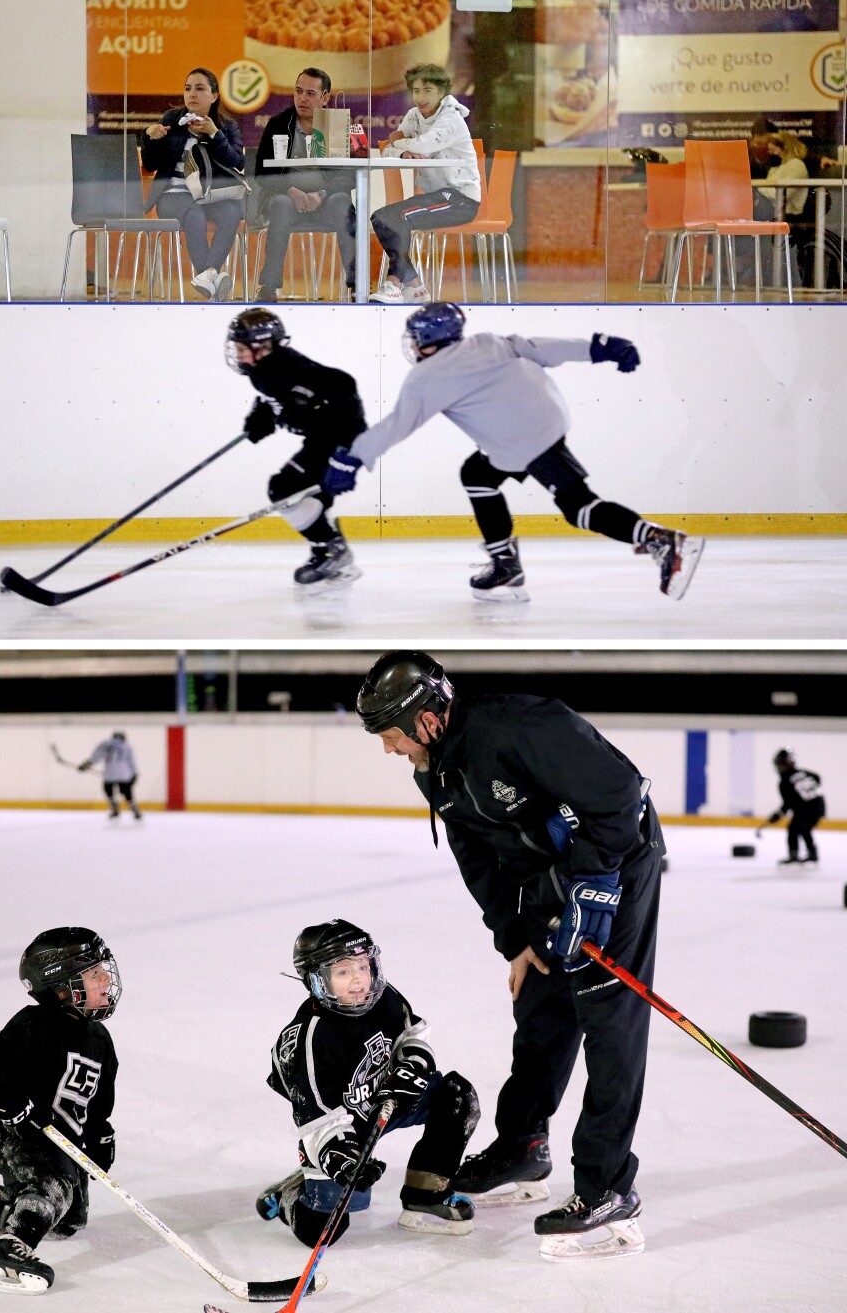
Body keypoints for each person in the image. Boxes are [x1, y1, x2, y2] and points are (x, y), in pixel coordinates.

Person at [355, 650, 664, 1261]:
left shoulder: (520, 727)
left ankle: (608, 1187)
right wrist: (516, 938)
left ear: (426, 717)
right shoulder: (434, 768)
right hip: (551, 881)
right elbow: (476, 858)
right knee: (543, 1009)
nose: (389, 749)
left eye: (391, 734)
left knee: (608, 1020)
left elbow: (621, 793)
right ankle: (524, 1146)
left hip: (619, 864)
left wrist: (595, 885)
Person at [323, 302, 702, 602]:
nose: (414, 347)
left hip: (526, 442)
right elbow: (543, 349)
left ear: (429, 341)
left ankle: (661, 541)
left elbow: (395, 426)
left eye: (416, 340)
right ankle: (505, 563)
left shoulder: (427, 376)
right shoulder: (486, 342)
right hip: (545, 422)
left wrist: (350, 457)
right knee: (477, 475)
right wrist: (601, 347)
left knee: (579, 507)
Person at [255, 920, 479, 1246]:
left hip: (386, 1099)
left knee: (456, 1095)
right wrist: (340, 1156)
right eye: (344, 972)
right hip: (340, 1127)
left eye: (363, 966)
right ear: (317, 981)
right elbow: (316, 1115)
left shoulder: (383, 997)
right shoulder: (310, 1038)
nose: (359, 979)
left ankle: (426, 1191)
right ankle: (291, 1195)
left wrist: (411, 1068)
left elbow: (411, 1032)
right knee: (323, 1231)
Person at [0, 927, 120, 1294]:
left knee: (67, 1222)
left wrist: (99, 1134)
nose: (106, 978)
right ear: (63, 985)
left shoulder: (100, 1039)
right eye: (94, 974)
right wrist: (17, 1109)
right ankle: (9, 1248)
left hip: (63, 1142)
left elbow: (97, 1101)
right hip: (21, 1137)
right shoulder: (32, 1026)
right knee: (52, 1189)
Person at [227, 308, 366, 585]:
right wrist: (264, 414)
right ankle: (329, 553)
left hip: (343, 440)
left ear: (263, 347)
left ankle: (331, 551)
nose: (238, 355)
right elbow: (274, 397)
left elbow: (343, 385)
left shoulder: (290, 366)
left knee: (284, 488)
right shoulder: (259, 372)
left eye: (242, 348)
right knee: (302, 493)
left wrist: (309, 404)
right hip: (320, 440)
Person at [369, 64, 481, 304]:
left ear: (442, 92)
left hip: (460, 200)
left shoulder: (451, 119)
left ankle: (394, 283)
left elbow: (420, 146)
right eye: (416, 90)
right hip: (436, 197)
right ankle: (415, 286)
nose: (420, 97)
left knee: (397, 217)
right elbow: (389, 146)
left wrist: (403, 145)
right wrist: (402, 152)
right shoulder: (413, 116)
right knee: (380, 217)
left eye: (427, 90)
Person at [141, 68, 248, 301]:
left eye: (200, 89)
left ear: (214, 96)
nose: (192, 94)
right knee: (195, 214)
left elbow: (238, 163)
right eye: (188, 88)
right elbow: (150, 164)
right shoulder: (172, 119)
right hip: (173, 194)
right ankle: (209, 276)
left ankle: (206, 278)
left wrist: (214, 134)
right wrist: (151, 137)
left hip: (209, 195)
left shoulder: (227, 126)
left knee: (232, 210)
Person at [249, 68, 356, 302]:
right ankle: (268, 286)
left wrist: (322, 193)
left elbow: (349, 176)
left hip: (326, 201)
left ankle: (356, 283)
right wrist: (291, 190)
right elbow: (261, 172)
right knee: (280, 203)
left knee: (343, 202)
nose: (302, 99)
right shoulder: (279, 123)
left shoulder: (336, 126)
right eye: (298, 91)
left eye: (310, 93)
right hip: (287, 200)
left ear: (325, 97)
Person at [765, 748, 825, 865]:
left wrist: (777, 815)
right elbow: (817, 777)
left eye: (781, 764)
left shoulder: (784, 781)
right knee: (802, 828)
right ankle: (812, 853)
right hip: (819, 806)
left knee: (795, 828)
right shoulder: (806, 773)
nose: (779, 767)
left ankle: (796, 855)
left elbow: (788, 804)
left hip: (806, 809)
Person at [79, 731, 142, 819]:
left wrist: (86, 765)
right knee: (127, 792)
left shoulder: (106, 743)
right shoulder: (127, 746)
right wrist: (135, 773)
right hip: (123, 774)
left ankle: (114, 808)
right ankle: (134, 808)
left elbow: (96, 756)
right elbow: (131, 761)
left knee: (108, 789)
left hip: (110, 773)